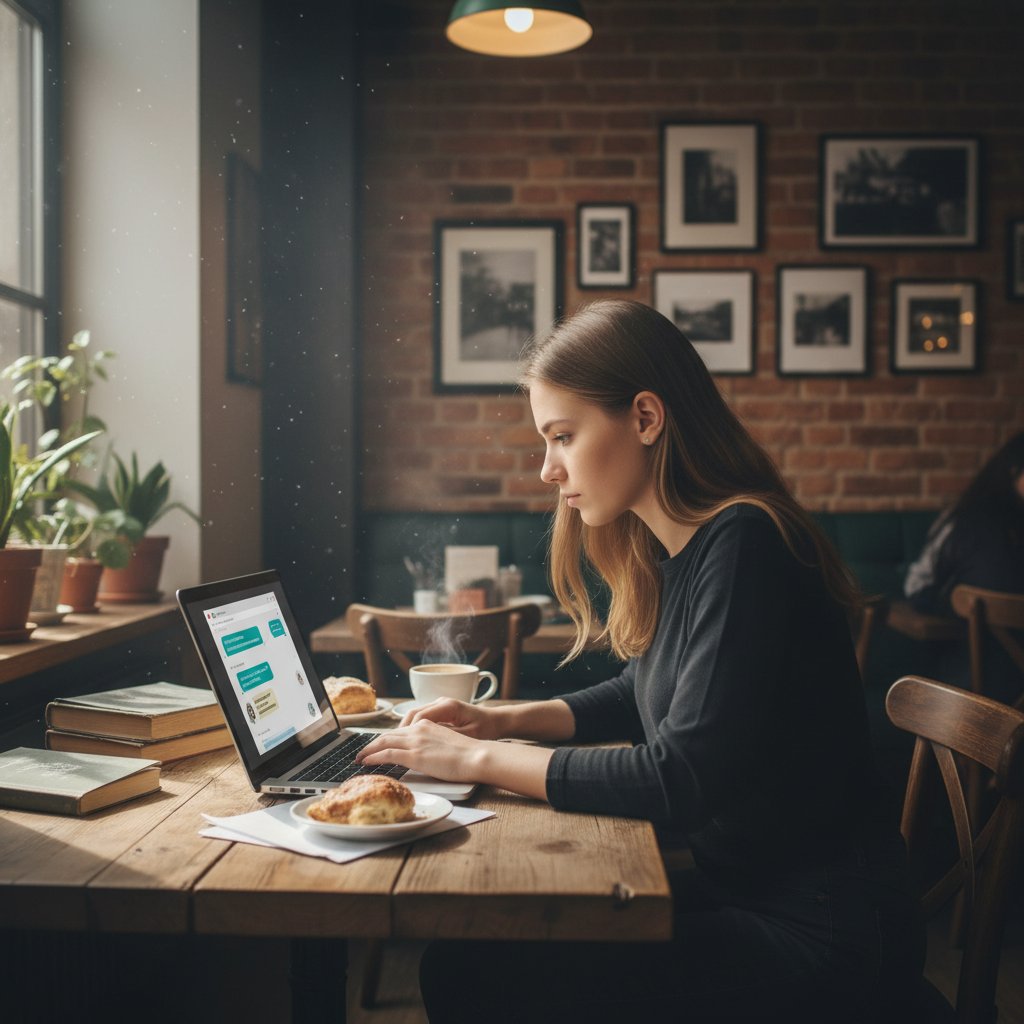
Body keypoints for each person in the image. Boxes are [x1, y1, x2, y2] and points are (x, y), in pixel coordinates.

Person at [358, 299, 924, 1023]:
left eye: (563, 436)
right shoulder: (688, 546)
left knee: (469, 976)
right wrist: (495, 722)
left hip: (823, 932)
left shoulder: (745, 541)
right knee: (473, 952)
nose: (547, 469)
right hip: (750, 892)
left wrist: (474, 759)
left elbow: (678, 778)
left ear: (647, 418)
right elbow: (638, 691)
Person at [903, 431, 1024, 703]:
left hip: (969, 697)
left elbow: (918, 587)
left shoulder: (962, 520)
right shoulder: (970, 522)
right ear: (1013, 471)